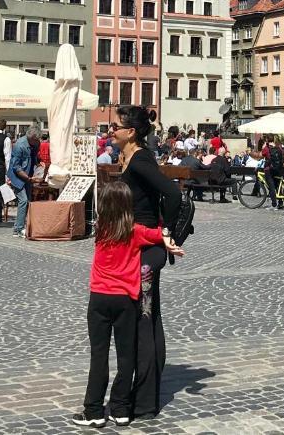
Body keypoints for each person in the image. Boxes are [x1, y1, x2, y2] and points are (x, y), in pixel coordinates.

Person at [71, 181, 183, 428]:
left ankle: (94, 411)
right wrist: (169, 243)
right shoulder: (135, 231)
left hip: (99, 298)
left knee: (98, 355)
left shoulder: (100, 230)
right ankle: (120, 408)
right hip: (126, 300)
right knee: (126, 356)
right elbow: (159, 234)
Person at [115, 105, 183, 420]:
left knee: (144, 321)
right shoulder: (132, 158)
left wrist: (164, 232)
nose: (110, 131)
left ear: (131, 132)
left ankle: (144, 401)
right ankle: (142, 396)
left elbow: (172, 193)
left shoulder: (141, 160)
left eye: (115, 126)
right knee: (145, 318)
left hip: (145, 250)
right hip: (135, 247)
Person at [8, 128, 41, 238]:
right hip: (18, 177)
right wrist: (28, 178)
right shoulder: (20, 145)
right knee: (23, 201)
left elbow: (34, 157)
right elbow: (15, 166)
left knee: (28, 201)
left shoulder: (36, 144)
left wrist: (39, 163)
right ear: (31, 138)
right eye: (36, 140)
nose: (38, 142)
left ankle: (19, 227)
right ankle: (19, 228)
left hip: (28, 175)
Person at [263, 136, 284, 210]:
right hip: (278, 169)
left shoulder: (266, 148)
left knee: (271, 187)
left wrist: (263, 147)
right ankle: (280, 203)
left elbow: (261, 155)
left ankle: (274, 205)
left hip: (269, 169)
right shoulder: (278, 147)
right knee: (278, 186)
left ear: (267, 140)